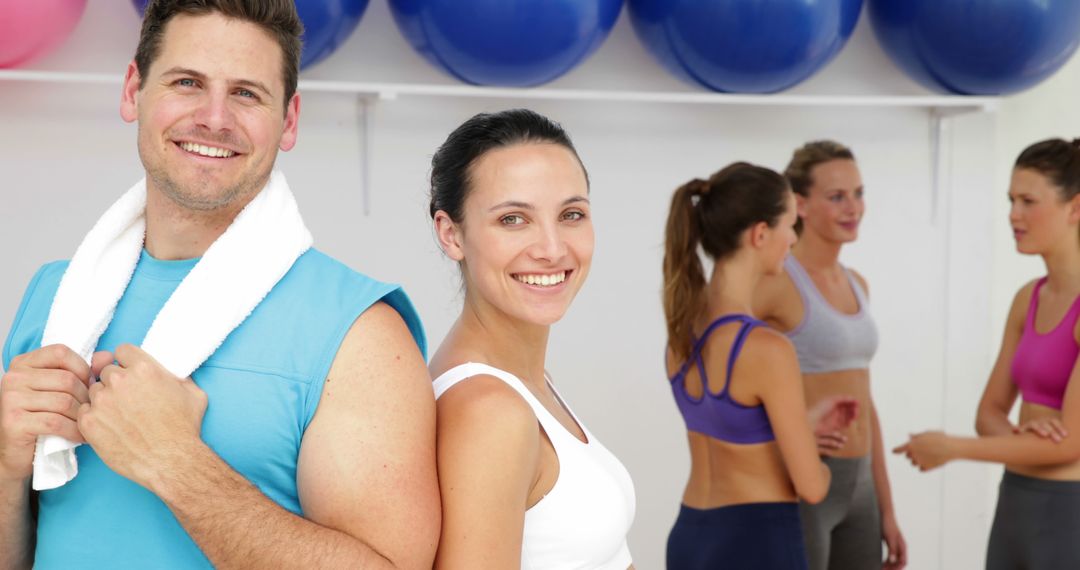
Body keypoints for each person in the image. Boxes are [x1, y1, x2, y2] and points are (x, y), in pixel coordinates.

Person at [0, 1, 440, 568]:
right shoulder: (57, 295)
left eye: (247, 93)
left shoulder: (359, 332)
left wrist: (177, 463)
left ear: (289, 120)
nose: (214, 118)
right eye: (187, 82)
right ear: (134, 91)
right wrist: (7, 465)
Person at [426, 109, 636, 569]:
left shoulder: (520, 381)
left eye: (571, 214)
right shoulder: (490, 412)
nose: (553, 248)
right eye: (513, 220)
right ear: (451, 234)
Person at [895, 138, 1080, 570]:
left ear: (1075, 208)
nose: (1013, 214)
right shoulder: (1027, 298)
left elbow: (1069, 446)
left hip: (1068, 510)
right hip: (1015, 499)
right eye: (1011, 200)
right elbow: (990, 411)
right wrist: (1028, 440)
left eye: (1028, 201)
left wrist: (953, 448)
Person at [662, 162, 857, 570]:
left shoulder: (681, 334)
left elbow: (729, 426)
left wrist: (801, 427)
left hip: (690, 536)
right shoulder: (767, 348)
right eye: (790, 224)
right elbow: (812, 487)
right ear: (760, 234)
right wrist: (817, 465)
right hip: (756, 540)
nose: (793, 238)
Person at [752, 141, 906, 570]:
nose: (852, 207)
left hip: (861, 487)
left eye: (858, 194)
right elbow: (719, 371)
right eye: (836, 196)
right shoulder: (778, 281)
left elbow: (865, 400)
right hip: (804, 479)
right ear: (799, 204)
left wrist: (887, 509)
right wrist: (779, 435)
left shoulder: (857, 283)